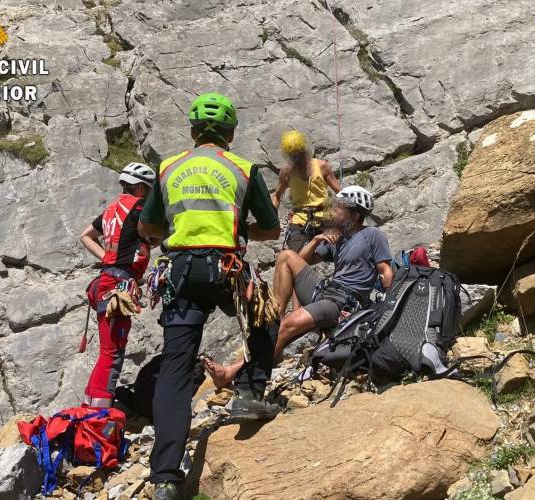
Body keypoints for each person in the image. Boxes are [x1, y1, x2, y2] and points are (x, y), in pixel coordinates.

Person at [137, 92, 281, 500]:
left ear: (192, 130)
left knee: (176, 371)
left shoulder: (167, 168)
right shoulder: (242, 168)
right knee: (264, 317)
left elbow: (149, 229)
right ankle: (250, 393)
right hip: (227, 269)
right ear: (231, 132)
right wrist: (239, 230)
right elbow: (270, 229)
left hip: (179, 273)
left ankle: (165, 478)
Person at [205, 186, 394, 388]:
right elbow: (303, 260)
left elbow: (385, 271)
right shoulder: (338, 238)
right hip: (325, 290)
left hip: (343, 302)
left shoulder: (372, 235)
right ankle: (274, 317)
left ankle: (233, 373)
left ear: (355, 215)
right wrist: (315, 240)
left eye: (340, 208)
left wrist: (387, 308)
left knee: (288, 325)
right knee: (286, 256)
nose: (334, 211)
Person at [79, 162, 156, 408]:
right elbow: (157, 232)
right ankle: (99, 414)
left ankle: (90, 406)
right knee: (113, 352)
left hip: (106, 279)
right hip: (119, 284)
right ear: (142, 189)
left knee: (107, 350)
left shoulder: (111, 210)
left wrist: (106, 258)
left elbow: (86, 236)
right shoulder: (140, 207)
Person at [272, 130, 341, 252]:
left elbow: (340, 192)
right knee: (293, 257)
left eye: (298, 153)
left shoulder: (321, 166)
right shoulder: (287, 172)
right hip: (300, 219)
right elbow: (277, 195)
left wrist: (342, 215)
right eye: (294, 155)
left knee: (339, 248)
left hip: (324, 216)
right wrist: (272, 217)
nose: (297, 157)